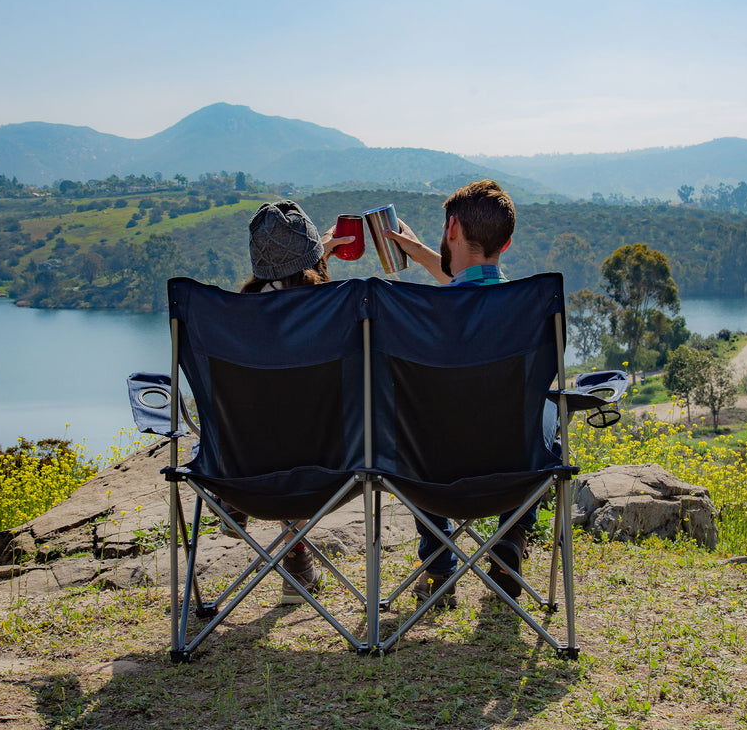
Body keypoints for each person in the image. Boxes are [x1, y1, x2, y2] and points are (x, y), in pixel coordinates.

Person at [384, 178, 556, 606]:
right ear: (508, 242)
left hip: (431, 476)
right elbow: (474, 288)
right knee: (548, 413)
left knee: (416, 423)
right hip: (515, 473)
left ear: (453, 229)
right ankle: (510, 534)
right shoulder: (526, 308)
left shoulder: (421, 319)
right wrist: (424, 252)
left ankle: (439, 560)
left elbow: (459, 293)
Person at [219, 199, 354, 605]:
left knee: (269, 422)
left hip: (241, 469)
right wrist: (319, 259)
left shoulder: (230, 319)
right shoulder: (336, 310)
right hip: (329, 466)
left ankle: (239, 505)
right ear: (314, 253)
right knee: (302, 427)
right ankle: (296, 558)